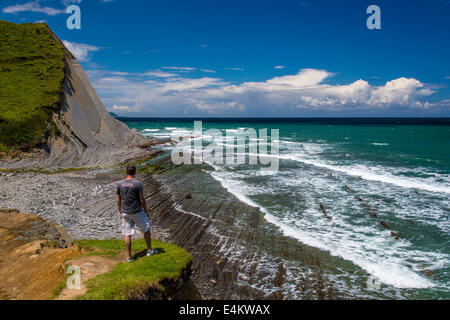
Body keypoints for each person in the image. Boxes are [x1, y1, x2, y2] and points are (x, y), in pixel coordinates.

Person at [116, 165, 157, 262]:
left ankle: (129, 257)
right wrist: (146, 211)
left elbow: (118, 200)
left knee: (127, 234)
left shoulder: (119, 184)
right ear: (135, 172)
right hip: (137, 211)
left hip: (125, 212)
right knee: (146, 229)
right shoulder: (138, 184)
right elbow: (142, 199)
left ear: (126, 172)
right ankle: (149, 250)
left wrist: (120, 212)